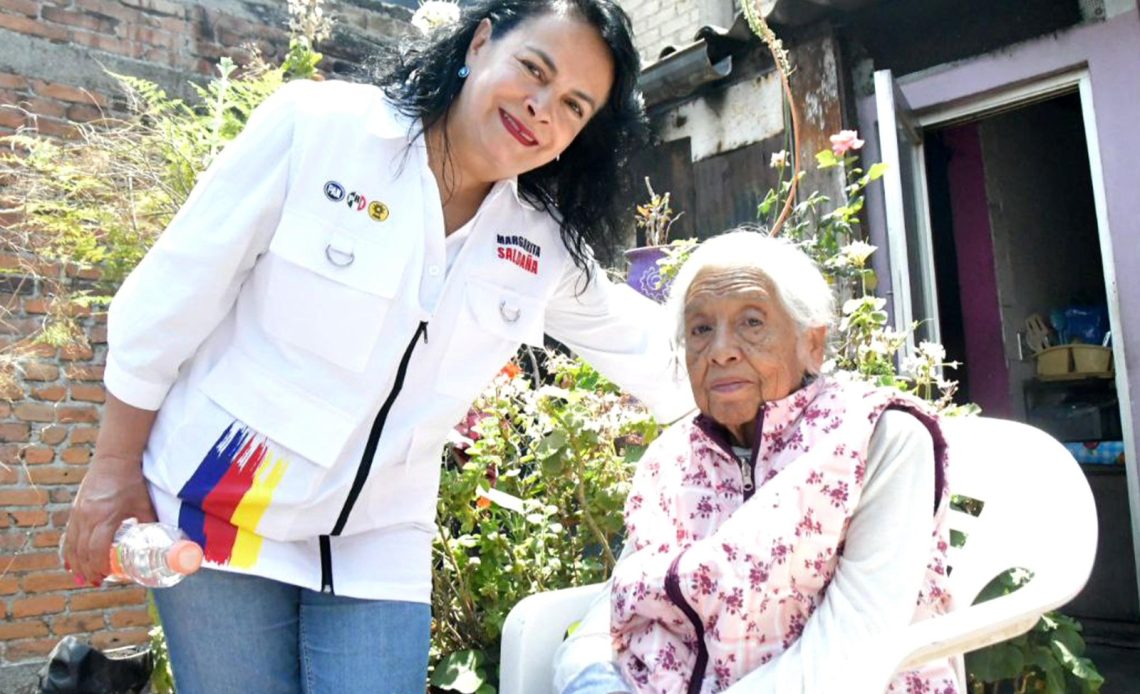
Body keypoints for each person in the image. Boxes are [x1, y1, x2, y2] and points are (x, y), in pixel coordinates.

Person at [60, 1, 692, 691]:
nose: (542, 109)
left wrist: (794, 395)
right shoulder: (320, 130)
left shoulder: (537, 242)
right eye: (533, 70)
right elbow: (168, 302)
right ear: (480, 43)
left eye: (574, 106)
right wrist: (110, 473)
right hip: (223, 501)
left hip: (377, 536)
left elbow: (647, 350)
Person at [554, 231, 962, 693]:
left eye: (751, 322)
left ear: (813, 344)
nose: (721, 350)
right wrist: (589, 676)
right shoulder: (671, 460)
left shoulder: (878, 437)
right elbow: (621, 601)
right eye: (700, 329)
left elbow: (854, 642)